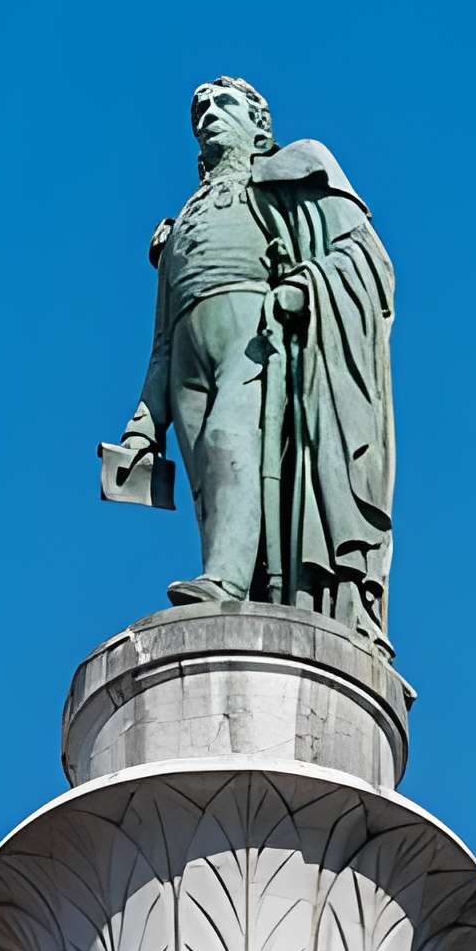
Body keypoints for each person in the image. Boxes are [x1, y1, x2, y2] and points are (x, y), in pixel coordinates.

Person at [117, 76, 397, 649]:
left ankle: (221, 582)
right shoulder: (181, 225)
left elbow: (366, 258)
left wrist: (305, 289)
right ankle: (234, 579)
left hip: (256, 331)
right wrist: (144, 427)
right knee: (211, 485)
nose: (208, 113)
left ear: (259, 124)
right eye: (199, 107)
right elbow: (162, 340)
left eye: (224, 103)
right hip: (186, 364)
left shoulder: (292, 170)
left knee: (229, 439)